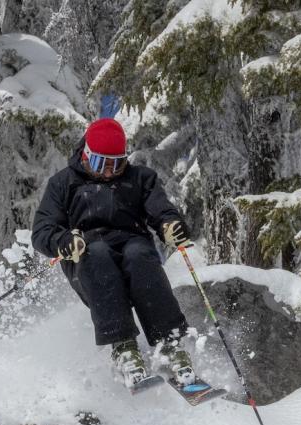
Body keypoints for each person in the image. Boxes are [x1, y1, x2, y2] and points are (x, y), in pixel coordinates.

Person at [31, 117, 198, 391]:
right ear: (86, 155)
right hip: (86, 255)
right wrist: (63, 240)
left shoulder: (140, 179)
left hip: (131, 245)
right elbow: (42, 230)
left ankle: (170, 344)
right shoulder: (63, 183)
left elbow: (161, 209)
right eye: (101, 164)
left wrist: (170, 225)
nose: (109, 173)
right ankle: (123, 347)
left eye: (116, 164)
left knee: (139, 254)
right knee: (97, 253)